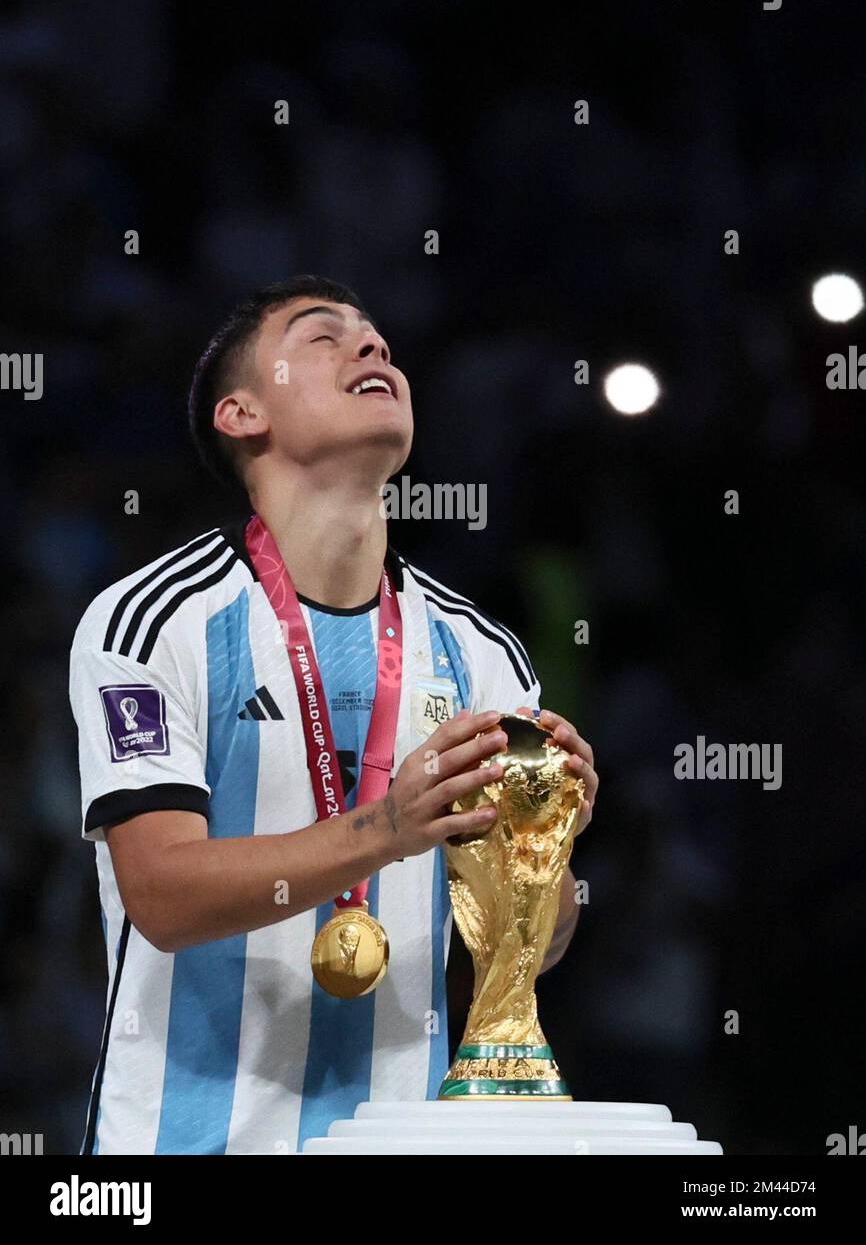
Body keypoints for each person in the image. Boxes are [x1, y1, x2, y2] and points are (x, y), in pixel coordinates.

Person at [68, 275, 599, 1154]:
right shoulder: (154, 621)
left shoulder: (483, 655)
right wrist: (388, 826)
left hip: (398, 1148)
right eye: (324, 336)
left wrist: (546, 863)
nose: (373, 348)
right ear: (242, 414)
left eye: (379, 339)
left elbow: (525, 956)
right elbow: (160, 894)